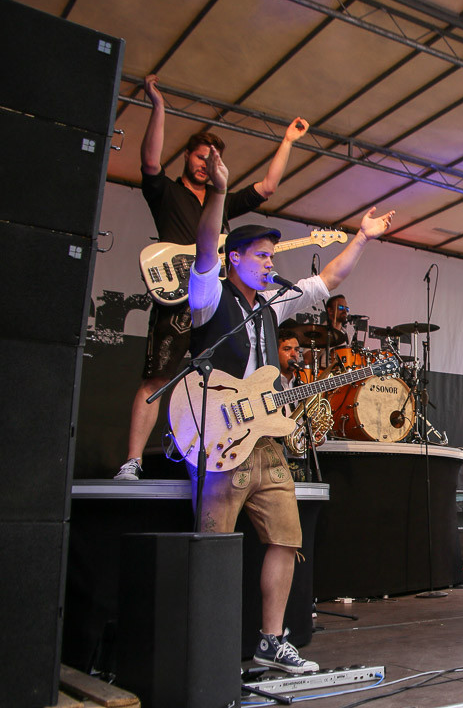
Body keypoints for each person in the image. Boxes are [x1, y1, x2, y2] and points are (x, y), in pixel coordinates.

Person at [186, 145, 393, 672]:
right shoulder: (210, 298)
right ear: (235, 260)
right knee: (214, 544)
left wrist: (362, 238)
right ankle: (207, 641)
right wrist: (218, 191)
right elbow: (207, 242)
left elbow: (330, 282)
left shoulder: (271, 306)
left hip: (267, 444)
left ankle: (270, 639)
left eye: (271, 256)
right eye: (260, 255)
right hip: (220, 439)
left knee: (286, 537)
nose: (270, 262)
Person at [115, 74, 310, 480]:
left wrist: (288, 141)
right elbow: (150, 163)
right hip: (177, 296)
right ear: (187, 156)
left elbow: (269, 187)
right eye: (200, 156)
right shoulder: (169, 193)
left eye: (212, 159)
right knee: (157, 377)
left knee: (227, 381)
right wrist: (159, 106)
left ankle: (219, 448)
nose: (205, 164)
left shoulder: (222, 203)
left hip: (215, 302)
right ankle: (132, 461)